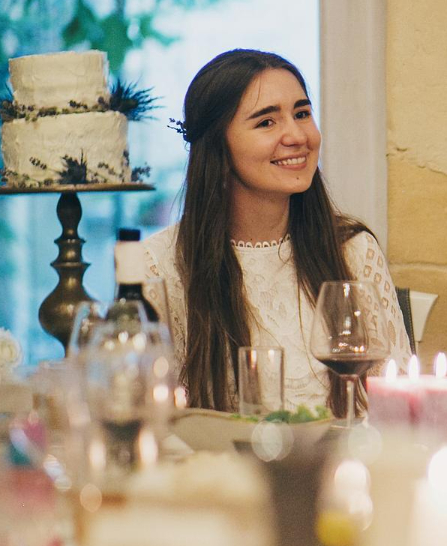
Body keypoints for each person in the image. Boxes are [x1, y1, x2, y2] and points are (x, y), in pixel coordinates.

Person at [144, 49, 411, 416]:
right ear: (218, 147)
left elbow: (396, 405)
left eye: (302, 113)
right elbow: (150, 419)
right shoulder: (160, 265)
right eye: (266, 122)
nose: (297, 135)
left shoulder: (353, 250)